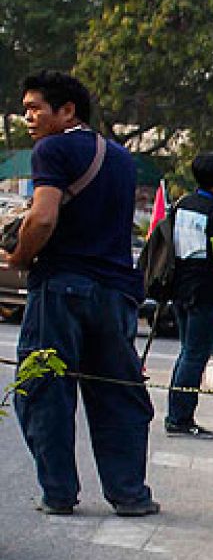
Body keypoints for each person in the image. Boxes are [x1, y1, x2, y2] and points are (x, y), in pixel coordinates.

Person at [3, 70, 158, 516]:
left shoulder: (52, 148)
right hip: (115, 292)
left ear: (67, 111)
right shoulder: (123, 159)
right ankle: (129, 494)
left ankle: (58, 493)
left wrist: (19, 257)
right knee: (117, 393)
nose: (28, 117)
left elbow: (44, 218)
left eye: (35, 108)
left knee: (45, 390)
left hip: (61, 288)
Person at [165, 152, 213, 439]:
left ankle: (176, 413)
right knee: (196, 355)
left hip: (181, 285)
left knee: (186, 351)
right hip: (207, 290)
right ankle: (181, 417)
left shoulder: (182, 204)